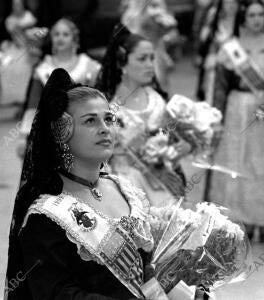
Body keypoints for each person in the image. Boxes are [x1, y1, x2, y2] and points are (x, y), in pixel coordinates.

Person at [5, 68, 154, 299]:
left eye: (109, 119)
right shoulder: (46, 215)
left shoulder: (125, 190)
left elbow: (148, 269)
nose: (105, 128)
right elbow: (55, 293)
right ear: (63, 132)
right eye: (90, 121)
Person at [208, 0, 264, 242]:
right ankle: (244, 219)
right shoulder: (230, 49)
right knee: (241, 165)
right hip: (238, 110)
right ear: (243, 18)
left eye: (261, 15)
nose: (257, 20)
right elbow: (220, 87)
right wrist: (215, 117)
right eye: (252, 15)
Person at [96, 26, 192, 208]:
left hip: (162, 184)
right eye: (142, 59)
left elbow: (172, 139)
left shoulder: (158, 100)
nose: (150, 65)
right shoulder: (106, 106)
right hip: (122, 187)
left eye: (152, 58)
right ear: (122, 63)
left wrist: (183, 147)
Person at [17, 18, 100, 156]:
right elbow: (33, 107)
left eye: (65, 34)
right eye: (56, 34)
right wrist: (23, 136)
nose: (60, 38)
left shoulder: (89, 67)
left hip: (85, 130)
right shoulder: (43, 69)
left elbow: (101, 101)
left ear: (74, 39)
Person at [121, 0, 180, 92]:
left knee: (157, 80)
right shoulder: (131, 10)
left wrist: (163, 34)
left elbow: (170, 26)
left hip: (154, 50)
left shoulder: (155, 8)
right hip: (137, 50)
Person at [0, 0, 37, 107]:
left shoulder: (29, 17)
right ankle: (10, 97)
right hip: (14, 48)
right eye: (15, 5)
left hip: (28, 47)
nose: (17, 7)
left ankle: (23, 97)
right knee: (6, 65)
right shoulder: (9, 20)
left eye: (19, 5)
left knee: (23, 66)